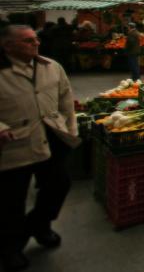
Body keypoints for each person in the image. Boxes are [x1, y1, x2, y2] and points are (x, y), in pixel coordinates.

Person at [0, 25, 79, 272]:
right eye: (27, 41)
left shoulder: (51, 66)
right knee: (12, 199)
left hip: (53, 135)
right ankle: (10, 248)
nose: (35, 44)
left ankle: (39, 224)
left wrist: (71, 129)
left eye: (36, 39)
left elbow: (66, 99)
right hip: (15, 143)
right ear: (8, 46)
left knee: (59, 184)